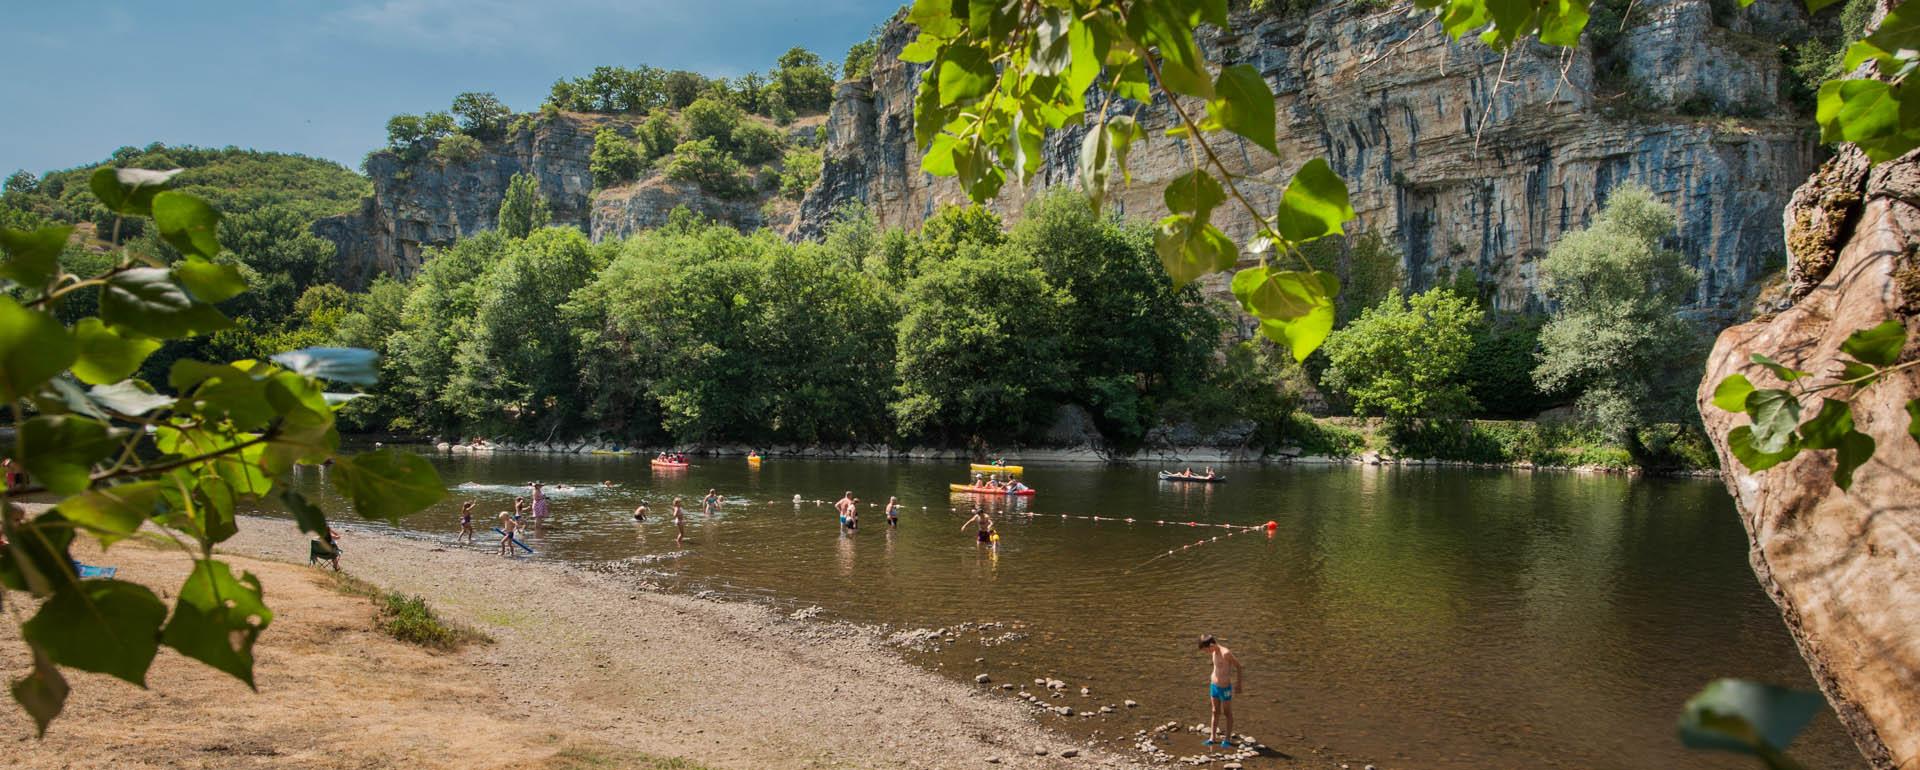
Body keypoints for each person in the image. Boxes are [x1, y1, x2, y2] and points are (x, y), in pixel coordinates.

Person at [1198, 635, 1244, 748]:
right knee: (1214, 711)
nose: (1206, 652)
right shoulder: (1213, 652)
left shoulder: (1226, 653)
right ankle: (1212, 738)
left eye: (1206, 650)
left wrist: (1239, 684)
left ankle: (1227, 739)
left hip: (1225, 688)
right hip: (1214, 686)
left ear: (1211, 645)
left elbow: (1239, 666)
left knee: (1227, 713)